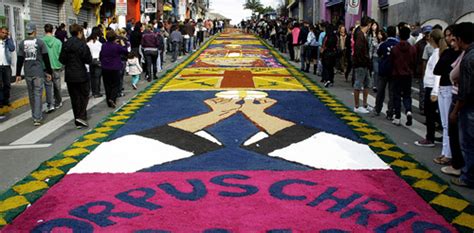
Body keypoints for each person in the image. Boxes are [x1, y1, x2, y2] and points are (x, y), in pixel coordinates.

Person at [431, 27, 462, 165]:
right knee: (444, 123)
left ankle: (448, 154)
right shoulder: (447, 52)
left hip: (451, 89)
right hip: (443, 87)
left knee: (449, 124)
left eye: (450, 35)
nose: (448, 39)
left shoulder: (460, 53)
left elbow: (449, 71)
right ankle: (445, 152)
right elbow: (437, 70)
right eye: (446, 36)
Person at [450, 22, 474, 188]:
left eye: (454, 38)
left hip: (469, 107)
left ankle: (468, 177)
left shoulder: (468, 58)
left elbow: (465, 91)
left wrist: (455, 111)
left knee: (468, 142)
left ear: (459, 39)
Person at [15, 23, 53, 126]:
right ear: (35, 31)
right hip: (38, 73)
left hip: (27, 73)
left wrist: (18, 74)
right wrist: (49, 72)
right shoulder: (40, 43)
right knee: (38, 94)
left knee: (31, 94)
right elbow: (46, 58)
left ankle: (34, 114)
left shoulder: (22, 43)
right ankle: (37, 117)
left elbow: (19, 59)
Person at [59, 24, 92, 129]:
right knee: (84, 95)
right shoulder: (82, 44)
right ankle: (81, 116)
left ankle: (78, 118)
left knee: (74, 97)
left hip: (69, 75)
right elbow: (88, 59)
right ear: (79, 32)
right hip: (81, 74)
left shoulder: (65, 44)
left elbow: (62, 59)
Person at [390, 26, 416, 126]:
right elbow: (414, 62)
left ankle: (397, 116)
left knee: (396, 95)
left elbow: (391, 62)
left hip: (397, 74)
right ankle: (408, 110)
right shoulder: (412, 49)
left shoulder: (395, 49)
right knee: (407, 95)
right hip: (408, 75)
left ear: (399, 35)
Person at [374, 26, 398, 119]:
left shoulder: (383, 44)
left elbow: (379, 54)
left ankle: (377, 109)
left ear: (387, 33)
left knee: (381, 90)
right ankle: (390, 112)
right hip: (394, 71)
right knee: (392, 92)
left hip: (383, 70)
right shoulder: (397, 44)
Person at [100, 31, 128, 108]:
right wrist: (123, 44)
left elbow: (101, 55)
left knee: (107, 85)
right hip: (115, 67)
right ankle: (112, 98)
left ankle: (109, 100)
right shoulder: (116, 46)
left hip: (105, 67)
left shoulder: (103, 46)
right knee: (116, 84)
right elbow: (125, 52)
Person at [352, 17, 372, 114]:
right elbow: (358, 50)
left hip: (364, 63)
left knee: (367, 83)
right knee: (358, 84)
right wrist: (363, 60)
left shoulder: (363, 34)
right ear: (368, 24)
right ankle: (356, 106)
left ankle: (365, 104)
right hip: (361, 63)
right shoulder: (360, 34)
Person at [43, 24, 64, 113]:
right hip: (56, 65)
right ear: (52, 31)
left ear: (44, 30)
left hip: (45, 67)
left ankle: (50, 104)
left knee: (48, 86)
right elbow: (61, 54)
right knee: (57, 85)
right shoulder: (58, 42)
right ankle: (58, 101)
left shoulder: (41, 41)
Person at [415, 26, 432, 113]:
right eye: (426, 33)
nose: (428, 35)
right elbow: (416, 56)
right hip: (422, 68)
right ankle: (422, 107)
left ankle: (428, 107)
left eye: (429, 33)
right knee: (422, 90)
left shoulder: (435, 43)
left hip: (432, 70)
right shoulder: (419, 44)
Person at [0, 27, 15, 109]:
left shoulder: (8, 41)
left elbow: (12, 48)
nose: (4, 34)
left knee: (7, 84)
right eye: (3, 32)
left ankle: (6, 100)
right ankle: (1, 101)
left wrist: (9, 38)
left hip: (6, 65)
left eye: (6, 33)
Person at [87, 28, 103, 98]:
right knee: (97, 78)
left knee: (92, 77)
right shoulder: (99, 43)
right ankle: (97, 92)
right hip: (98, 60)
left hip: (90, 61)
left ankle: (93, 91)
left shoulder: (88, 43)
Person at [368, 21, 381, 92]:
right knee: (375, 71)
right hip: (373, 55)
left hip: (378, 55)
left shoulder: (379, 34)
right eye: (373, 25)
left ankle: (376, 84)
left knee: (377, 71)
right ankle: (373, 84)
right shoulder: (369, 35)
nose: (374, 27)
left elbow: (379, 45)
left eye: (375, 25)